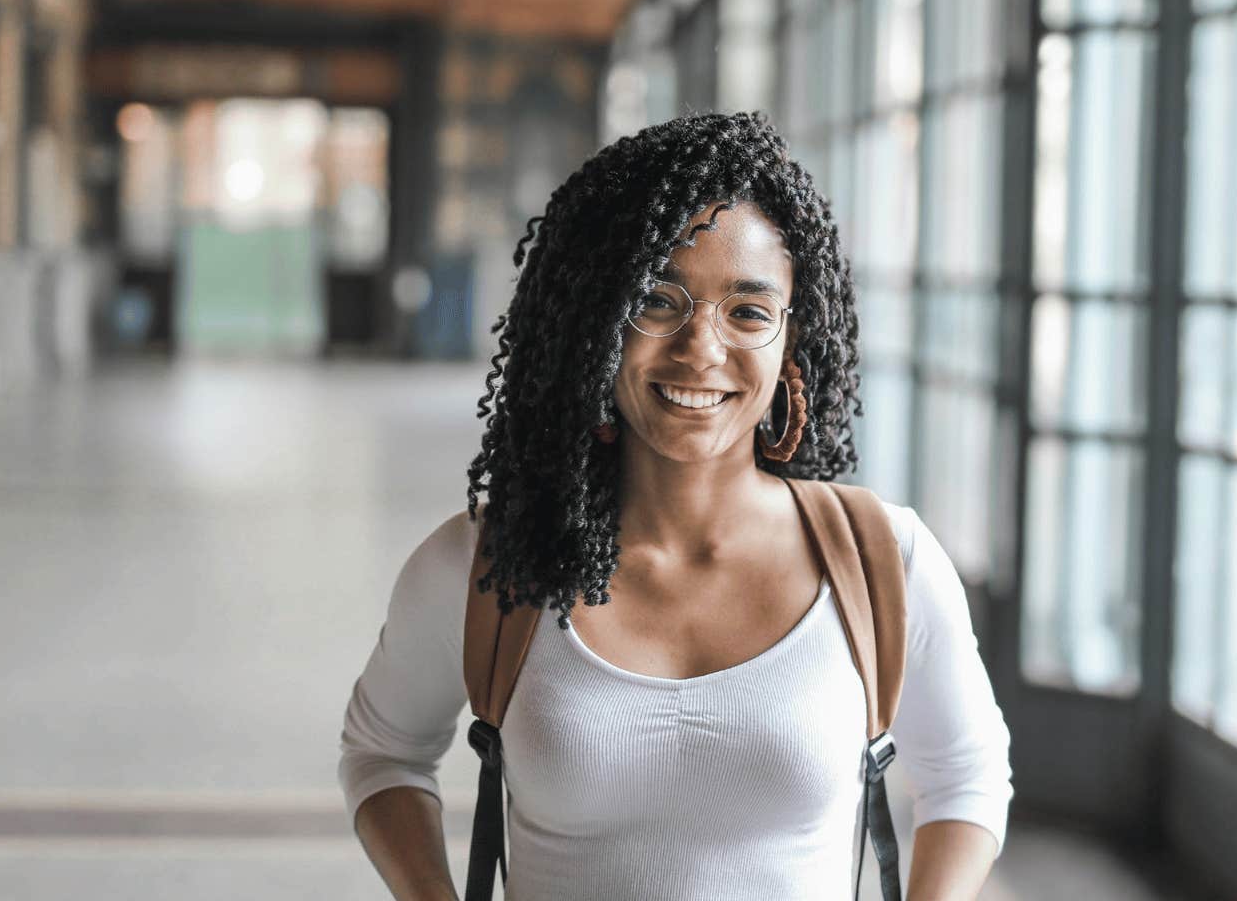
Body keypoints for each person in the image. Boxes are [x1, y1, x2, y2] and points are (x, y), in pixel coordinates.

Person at [338, 111, 1012, 900]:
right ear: (595, 324)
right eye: (656, 302)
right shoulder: (491, 563)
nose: (701, 349)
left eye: (748, 311)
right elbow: (383, 753)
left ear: (791, 345)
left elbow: (966, 778)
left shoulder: (880, 559)